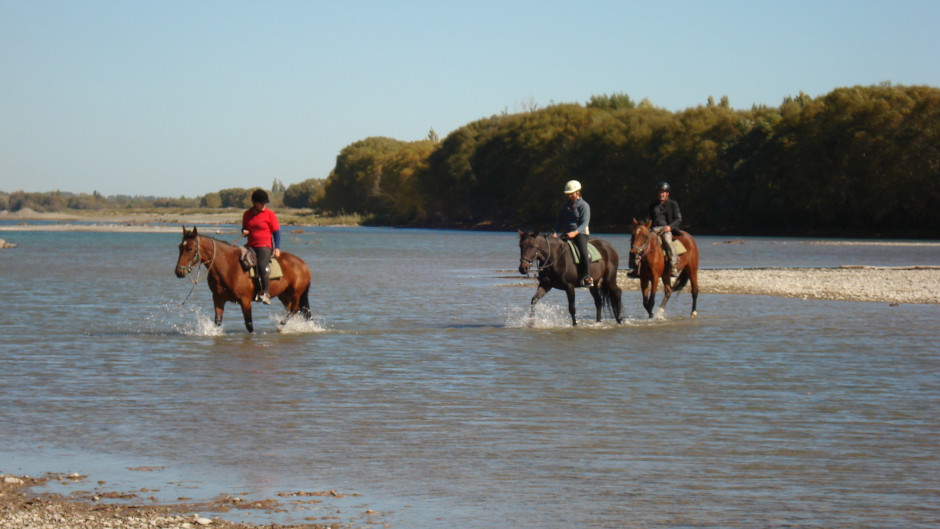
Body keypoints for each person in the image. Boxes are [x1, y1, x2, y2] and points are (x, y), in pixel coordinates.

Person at [242, 189, 281, 304]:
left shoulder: (270, 214)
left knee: (261, 265)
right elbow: (245, 228)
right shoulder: (247, 214)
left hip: (264, 246)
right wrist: (244, 231)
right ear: (255, 203)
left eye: (265, 203)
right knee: (239, 259)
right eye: (261, 203)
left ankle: (266, 293)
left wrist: (277, 248)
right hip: (250, 245)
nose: (264, 205)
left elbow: (276, 233)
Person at [553, 179, 593, 287]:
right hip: (567, 233)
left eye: (571, 194)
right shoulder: (565, 206)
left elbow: (585, 222)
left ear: (577, 192)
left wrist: (575, 232)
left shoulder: (584, 205)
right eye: (568, 194)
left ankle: (587, 276)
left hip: (581, 233)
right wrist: (555, 232)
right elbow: (559, 220)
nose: (569, 196)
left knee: (583, 252)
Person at [648, 181, 682, 277]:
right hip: (653, 229)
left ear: (667, 193)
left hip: (666, 229)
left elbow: (678, 219)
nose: (661, 194)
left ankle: (673, 265)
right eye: (659, 192)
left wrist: (670, 227)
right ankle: (636, 266)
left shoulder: (673, 204)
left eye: (663, 192)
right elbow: (648, 218)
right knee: (641, 241)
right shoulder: (653, 204)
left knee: (667, 241)